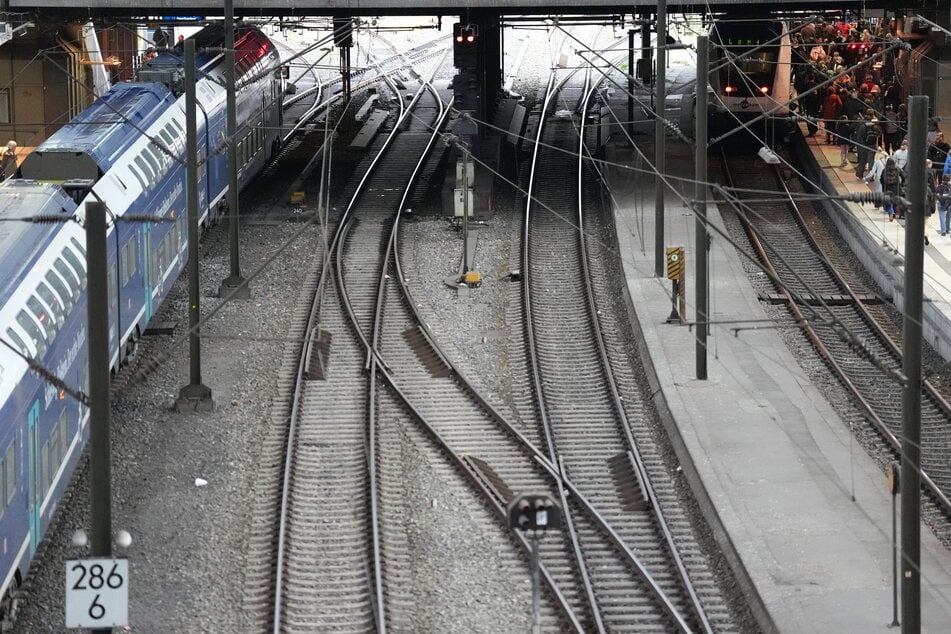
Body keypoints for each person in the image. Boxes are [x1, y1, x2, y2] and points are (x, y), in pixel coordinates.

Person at [881, 157, 902, 221]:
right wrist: (902, 184)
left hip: (887, 188)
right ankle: (894, 213)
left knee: (889, 203)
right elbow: (904, 176)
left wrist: (883, 186)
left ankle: (891, 213)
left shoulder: (884, 170)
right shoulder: (897, 169)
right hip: (896, 188)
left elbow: (881, 179)